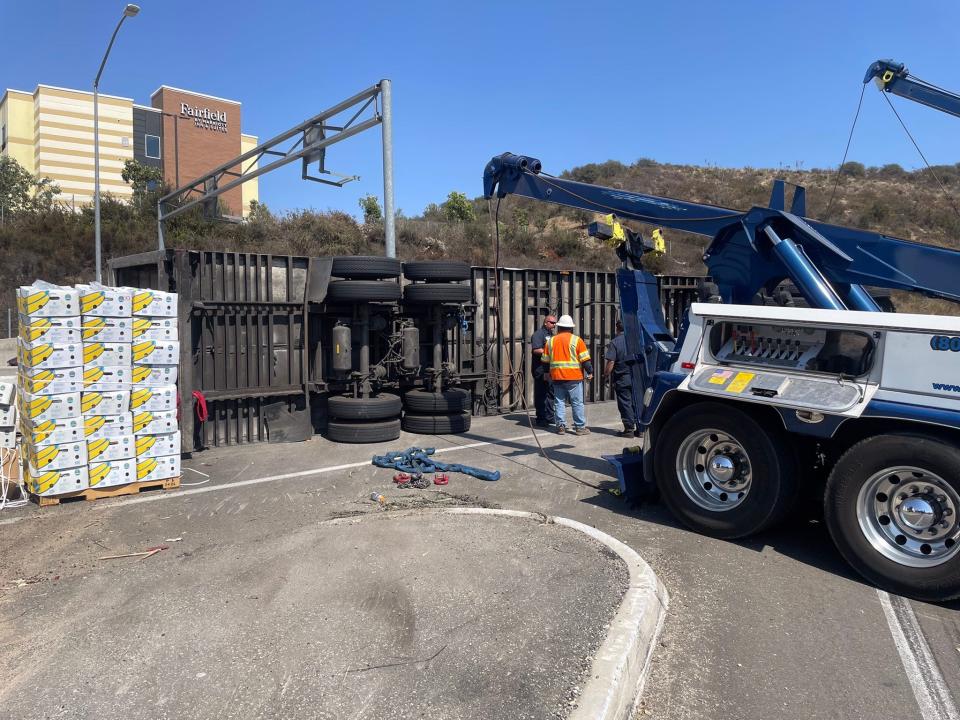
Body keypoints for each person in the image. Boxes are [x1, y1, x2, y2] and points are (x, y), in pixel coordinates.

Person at [542, 314, 593, 436]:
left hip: (557, 377)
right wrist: (590, 371)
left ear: (559, 327)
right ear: (571, 328)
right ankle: (580, 427)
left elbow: (545, 360)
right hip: (574, 378)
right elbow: (585, 360)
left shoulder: (551, 341)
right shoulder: (577, 340)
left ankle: (560, 427)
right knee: (577, 403)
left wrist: (546, 373)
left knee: (559, 402)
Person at [604, 321, 637, 437]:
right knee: (637, 402)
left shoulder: (615, 342)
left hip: (622, 378)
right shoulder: (636, 341)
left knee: (625, 403)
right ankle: (641, 430)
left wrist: (606, 374)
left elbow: (611, 361)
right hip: (637, 378)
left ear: (617, 329)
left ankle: (629, 430)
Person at [530, 315, 557, 427]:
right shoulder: (538, 334)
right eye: (552, 322)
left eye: (555, 323)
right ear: (546, 322)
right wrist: (550, 352)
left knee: (551, 393)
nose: (554, 325)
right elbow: (536, 349)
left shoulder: (552, 335)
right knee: (541, 394)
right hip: (540, 369)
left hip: (550, 369)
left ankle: (550, 416)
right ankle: (541, 418)